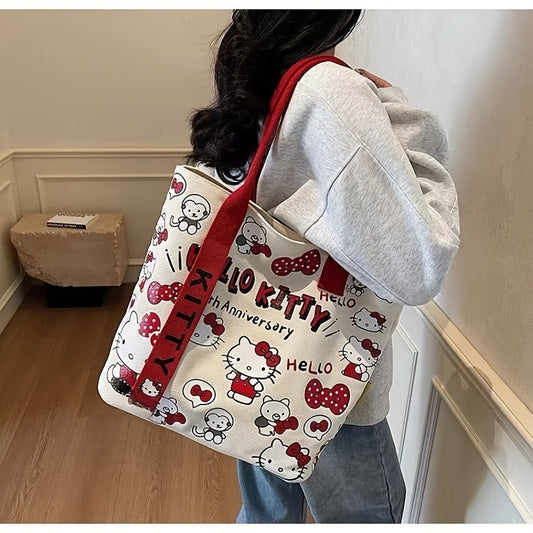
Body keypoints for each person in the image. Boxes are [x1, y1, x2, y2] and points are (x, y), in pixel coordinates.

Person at [187, 10, 460, 524]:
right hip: (329, 379)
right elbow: (419, 267)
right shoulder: (328, 90)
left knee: (268, 515)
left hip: (258, 357)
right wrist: (404, 115)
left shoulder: (265, 74)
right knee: (368, 518)